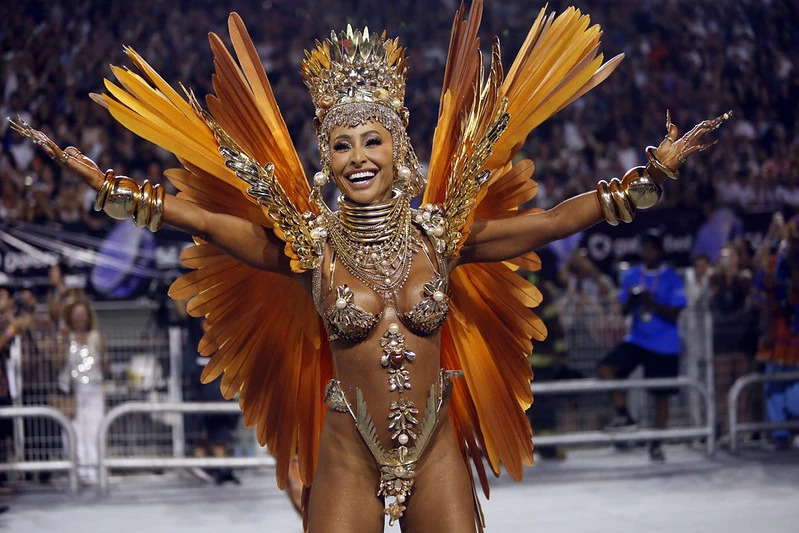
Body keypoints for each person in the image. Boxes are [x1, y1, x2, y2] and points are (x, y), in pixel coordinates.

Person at [12, 3, 727, 530]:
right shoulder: (310, 246)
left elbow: (547, 221)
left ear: (398, 149)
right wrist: (114, 189)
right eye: (343, 145)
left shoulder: (441, 235)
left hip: (436, 439)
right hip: (349, 445)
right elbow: (206, 221)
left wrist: (644, 180)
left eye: (372, 141)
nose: (358, 158)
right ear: (327, 158)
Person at [597, 230, 687, 462]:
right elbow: (623, 309)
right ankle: (624, 414)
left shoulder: (672, 278)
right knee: (606, 368)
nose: (647, 252)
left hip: (665, 344)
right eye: (644, 248)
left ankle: (656, 445)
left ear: (660, 251)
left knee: (661, 397)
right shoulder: (632, 275)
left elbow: (675, 314)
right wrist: (632, 301)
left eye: (652, 248)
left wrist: (651, 302)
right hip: (637, 338)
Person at [60, 299, 106, 483]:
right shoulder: (65, 337)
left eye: (82, 314)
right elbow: (57, 364)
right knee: (75, 432)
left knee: (96, 430)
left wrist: (102, 348)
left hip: (94, 389)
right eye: (76, 315)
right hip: (73, 391)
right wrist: (60, 342)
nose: (79, 318)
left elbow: (105, 364)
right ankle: (77, 472)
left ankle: (95, 471)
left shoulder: (96, 336)